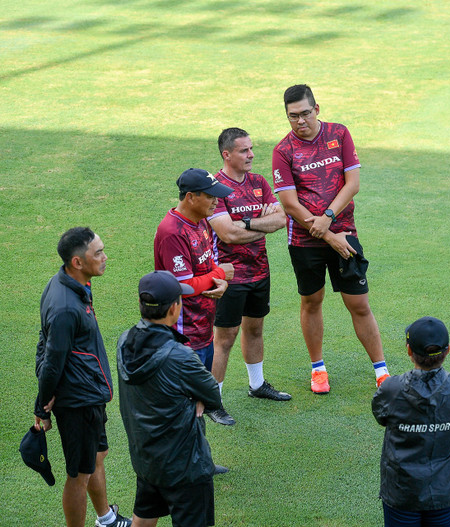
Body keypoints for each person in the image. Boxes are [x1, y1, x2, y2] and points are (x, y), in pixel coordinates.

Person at [272, 84, 389, 394]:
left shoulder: (339, 134)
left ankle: (381, 371)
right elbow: (289, 205)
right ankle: (318, 370)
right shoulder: (283, 151)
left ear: (317, 109)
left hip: (345, 233)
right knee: (312, 302)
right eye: (292, 116)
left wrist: (328, 221)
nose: (299, 121)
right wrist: (328, 235)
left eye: (305, 113)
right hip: (304, 242)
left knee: (359, 303)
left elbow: (352, 184)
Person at [33, 227, 131, 527]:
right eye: (98, 253)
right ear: (77, 262)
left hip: (87, 394)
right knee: (78, 475)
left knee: (97, 456)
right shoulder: (65, 306)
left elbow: (45, 341)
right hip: (78, 402)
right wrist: (42, 406)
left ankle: (105, 518)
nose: (104, 257)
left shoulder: (68, 283)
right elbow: (52, 359)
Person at [117, 270, 222, 527]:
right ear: (175, 308)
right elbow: (212, 395)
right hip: (185, 464)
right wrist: (196, 398)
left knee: (142, 519)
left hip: (147, 458)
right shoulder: (181, 356)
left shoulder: (124, 342)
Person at [208, 128, 290, 424]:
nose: (251, 155)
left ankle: (257, 386)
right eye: (244, 151)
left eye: (251, 149)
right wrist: (259, 224)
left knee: (255, 329)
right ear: (226, 154)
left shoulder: (258, 182)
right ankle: (212, 401)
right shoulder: (215, 188)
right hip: (229, 277)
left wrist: (244, 221)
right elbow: (227, 235)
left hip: (260, 271)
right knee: (225, 338)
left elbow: (281, 219)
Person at [372, 317, 450, 527]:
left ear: (409, 351)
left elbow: (381, 416)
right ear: (448, 350)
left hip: (402, 492)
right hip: (444, 491)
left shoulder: (391, 389)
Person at [153, 168, 235, 425]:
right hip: (183, 334)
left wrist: (220, 282)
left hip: (203, 328)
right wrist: (222, 274)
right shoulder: (172, 232)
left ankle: (200, 463)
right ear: (190, 197)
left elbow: (208, 264)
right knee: (184, 407)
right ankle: (188, 464)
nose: (216, 201)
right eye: (210, 196)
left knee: (198, 402)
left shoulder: (201, 222)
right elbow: (183, 286)